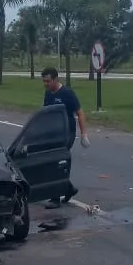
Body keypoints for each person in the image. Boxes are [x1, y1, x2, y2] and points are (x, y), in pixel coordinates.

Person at [41, 66, 89, 209]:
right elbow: (46, 113)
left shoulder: (67, 93)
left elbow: (80, 113)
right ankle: (69, 189)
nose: (46, 84)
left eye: (48, 81)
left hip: (66, 134)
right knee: (50, 163)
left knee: (56, 163)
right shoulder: (48, 94)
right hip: (53, 134)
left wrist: (84, 134)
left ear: (56, 79)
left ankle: (55, 198)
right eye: (44, 81)